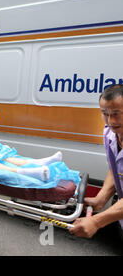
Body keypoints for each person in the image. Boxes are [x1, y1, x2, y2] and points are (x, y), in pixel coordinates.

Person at [70, 84, 123, 240]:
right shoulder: (110, 134)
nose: (111, 120)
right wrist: (101, 198)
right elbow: (116, 169)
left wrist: (96, 222)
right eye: (105, 113)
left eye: (117, 113)